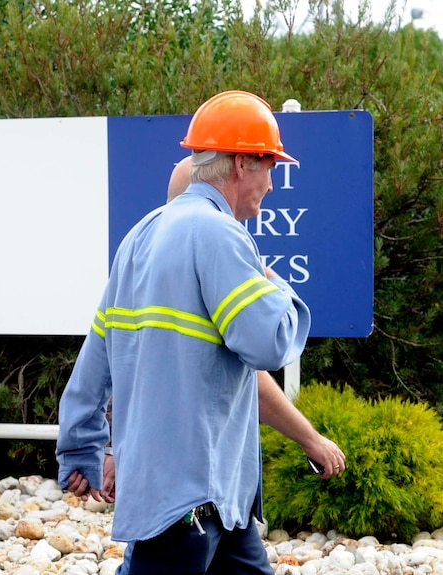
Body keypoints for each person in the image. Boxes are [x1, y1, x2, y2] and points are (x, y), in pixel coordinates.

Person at [56, 90, 336, 574]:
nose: (272, 183)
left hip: (211, 502)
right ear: (241, 164)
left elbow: (96, 357)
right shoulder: (220, 234)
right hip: (194, 499)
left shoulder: (140, 235)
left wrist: (81, 446)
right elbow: (268, 343)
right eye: (269, 166)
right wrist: (278, 287)